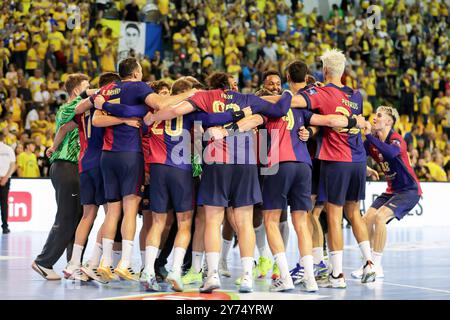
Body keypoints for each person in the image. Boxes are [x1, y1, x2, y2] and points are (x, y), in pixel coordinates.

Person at [144, 72, 294, 293]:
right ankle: (246, 277)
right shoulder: (247, 99)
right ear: (232, 86)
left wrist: (153, 118)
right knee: (244, 221)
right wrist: (289, 92)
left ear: (212, 85)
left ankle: (212, 275)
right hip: (246, 163)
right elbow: (281, 109)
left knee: (213, 220)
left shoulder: (205, 96)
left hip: (216, 161)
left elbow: (177, 111)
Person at [93, 58, 197, 282]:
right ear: (137, 72)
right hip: (130, 153)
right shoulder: (139, 87)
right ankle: (125, 263)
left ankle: (104, 262)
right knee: (130, 210)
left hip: (106, 155)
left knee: (112, 211)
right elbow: (160, 103)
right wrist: (190, 94)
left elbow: (95, 120)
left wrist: (114, 112)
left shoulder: (107, 88)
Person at [351, 106, 422, 279]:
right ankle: (368, 263)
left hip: (409, 190)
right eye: (375, 115)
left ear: (389, 121)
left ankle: (377, 266)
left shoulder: (396, 139)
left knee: (380, 217)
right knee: (366, 219)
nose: (374, 118)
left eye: (379, 116)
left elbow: (390, 154)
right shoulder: (372, 141)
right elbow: (357, 155)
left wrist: (367, 134)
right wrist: (367, 169)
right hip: (391, 191)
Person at [32, 74, 89, 280]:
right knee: (67, 217)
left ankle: (73, 265)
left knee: (78, 216)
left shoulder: (82, 109)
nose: (90, 90)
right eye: (86, 87)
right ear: (76, 91)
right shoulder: (68, 108)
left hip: (75, 167)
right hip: (66, 166)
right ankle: (43, 262)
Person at [0, 132, 16, 234]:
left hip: (4, 178)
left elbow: (13, 165)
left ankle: (5, 226)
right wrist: (6, 177)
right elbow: (13, 165)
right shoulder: (9, 149)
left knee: (4, 204)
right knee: (4, 204)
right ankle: (5, 227)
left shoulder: (8, 149)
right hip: (5, 179)